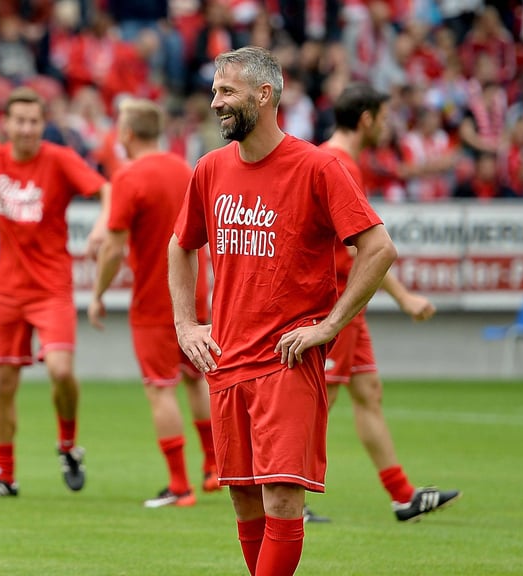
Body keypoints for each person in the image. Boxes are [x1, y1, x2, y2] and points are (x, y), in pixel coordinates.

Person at [168, 46, 398, 576]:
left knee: (282, 503)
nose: (215, 102)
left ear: (264, 94)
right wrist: (185, 323)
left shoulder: (317, 166)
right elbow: (181, 245)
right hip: (226, 362)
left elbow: (378, 248)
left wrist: (331, 325)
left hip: (286, 362)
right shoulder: (210, 168)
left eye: (227, 92)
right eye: (214, 91)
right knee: (245, 503)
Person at [316, 83, 461, 523]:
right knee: (319, 402)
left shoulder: (335, 159)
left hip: (349, 305)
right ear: (366, 119)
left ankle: (402, 496)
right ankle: (284, 497)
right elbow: (368, 250)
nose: (387, 126)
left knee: (367, 394)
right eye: (383, 117)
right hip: (335, 305)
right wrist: (404, 297)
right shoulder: (337, 163)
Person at [0, 87, 110, 498]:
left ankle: (68, 446)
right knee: (2, 384)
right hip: (8, 289)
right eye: (19, 120)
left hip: (51, 288)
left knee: (61, 371)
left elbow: (106, 190)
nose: (26, 128)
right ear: (6, 125)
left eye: (33, 121)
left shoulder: (59, 160)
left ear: (42, 124)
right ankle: (5, 475)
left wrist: (101, 227)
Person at [88, 97, 218, 508]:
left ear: (127, 134)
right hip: (195, 291)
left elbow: (113, 248)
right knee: (198, 378)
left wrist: (97, 293)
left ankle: (179, 486)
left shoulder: (129, 177)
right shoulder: (184, 168)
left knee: (160, 390)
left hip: (154, 298)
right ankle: (215, 467)